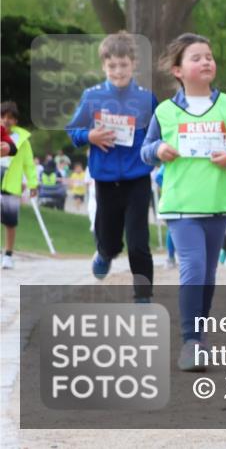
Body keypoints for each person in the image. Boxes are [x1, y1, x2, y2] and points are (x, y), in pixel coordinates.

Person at [140, 33, 226, 371]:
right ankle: (191, 342)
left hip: (219, 203)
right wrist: (158, 150)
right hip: (181, 204)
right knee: (192, 270)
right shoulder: (164, 111)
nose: (206, 61)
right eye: (196, 57)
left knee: (207, 275)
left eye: (208, 56)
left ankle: (199, 337)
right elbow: (145, 152)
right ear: (178, 70)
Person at [66, 31, 158, 299]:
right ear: (104, 65)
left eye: (123, 65)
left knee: (139, 242)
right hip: (105, 180)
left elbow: (158, 134)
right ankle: (104, 253)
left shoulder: (146, 98)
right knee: (110, 240)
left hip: (138, 179)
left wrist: (153, 151)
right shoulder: (92, 96)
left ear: (133, 64)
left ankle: (143, 296)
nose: (118, 71)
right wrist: (89, 136)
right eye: (112, 66)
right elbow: (74, 130)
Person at [0, 102, 38, 269]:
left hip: (11, 184)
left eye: (10, 117)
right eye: (2, 116)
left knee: (10, 222)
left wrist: (32, 184)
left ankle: (8, 255)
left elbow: (29, 164)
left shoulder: (22, 141)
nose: (5, 120)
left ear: (15, 120)